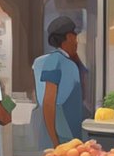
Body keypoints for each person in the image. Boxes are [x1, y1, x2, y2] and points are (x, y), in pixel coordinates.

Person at [33, 16, 88, 149]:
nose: (77, 42)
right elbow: (48, 102)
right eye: (75, 37)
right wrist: (55, 141)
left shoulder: (70, 63)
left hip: (70, 136)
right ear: (69, 37)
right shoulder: (54, 61)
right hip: (60, 136)